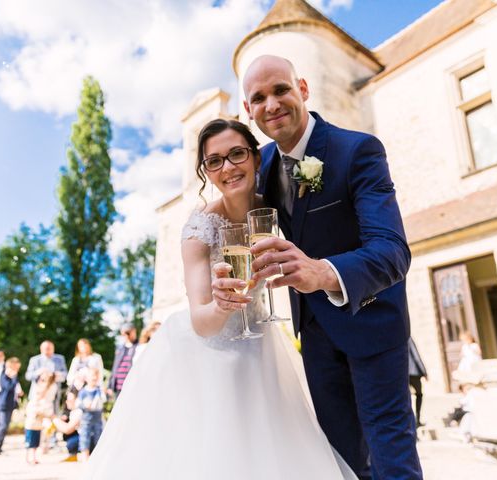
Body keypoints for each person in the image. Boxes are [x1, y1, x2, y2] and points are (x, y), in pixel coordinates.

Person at [81, 119, 356, 479]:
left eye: (237, 154)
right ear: (206, 171)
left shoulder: (277, 211)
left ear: (256, 159)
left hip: (262, 347)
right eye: (214, 161)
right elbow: (201, 320)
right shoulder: (199, 230)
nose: (227, 167)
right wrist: (220, 305)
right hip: (206, 356)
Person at [242, 55, 422, 479]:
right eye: (258, 98)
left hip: (374, 325)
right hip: (316, 337)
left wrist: (322, 273)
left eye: (281, 90)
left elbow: (393, 251)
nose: (272, 104)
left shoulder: (357, 150)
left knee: (391, 457)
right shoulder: (261, 166)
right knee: (338, 460)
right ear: (248, 111)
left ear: (302, 89)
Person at [0, 357, 21, 456]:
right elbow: (9, 387)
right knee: (2, 425)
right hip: (3, 404)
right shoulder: (4, 376)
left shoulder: (10, 377)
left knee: (5, 426)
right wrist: (14, 377)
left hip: (9, 405)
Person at [24, 371, 57, 464]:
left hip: (40, 421)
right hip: (32, 422)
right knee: (30, 440)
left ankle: (36, 455)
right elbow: (30, 411)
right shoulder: (33, 400)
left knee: (37, 439)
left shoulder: (50, 389)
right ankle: (30, 457)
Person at [76, 367, 105, 461]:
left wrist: (104, 393)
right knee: (85, 436)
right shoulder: (83, 391)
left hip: (97, 418)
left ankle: (97, 456)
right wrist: (85, 405)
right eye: (92, 376)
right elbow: (78, 404)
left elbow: (103, 400)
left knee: (98, 435)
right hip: (86, 418)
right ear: (86, 378)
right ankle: (85, 455)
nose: (94, 378)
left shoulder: (98, 391)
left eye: (96, 377)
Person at [106, 323, 137, 397]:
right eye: (124, 334)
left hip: (132, 385)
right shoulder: (120, 348)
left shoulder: (139, 347)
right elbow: (115, 366)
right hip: (119, 386)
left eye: (128, 333)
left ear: (134, 331)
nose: (126, 336)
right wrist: (110, 385)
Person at [52, 390, 82, 462]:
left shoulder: (79, 411)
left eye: (70, 400)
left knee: (71, 441)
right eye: (67, 400)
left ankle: (76, 453)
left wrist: (54, 419)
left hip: (90, 439)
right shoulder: (74, 411)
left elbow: (67, 429)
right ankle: (73, 454)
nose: (67, 402)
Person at [408, 337, 427, 428]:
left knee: (407, 397)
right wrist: (424, 371)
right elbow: (416, 356)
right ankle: (417, 420)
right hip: (414, 372)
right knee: (419, 394)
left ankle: (412, 421)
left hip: (402, 373)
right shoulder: (408, 338)